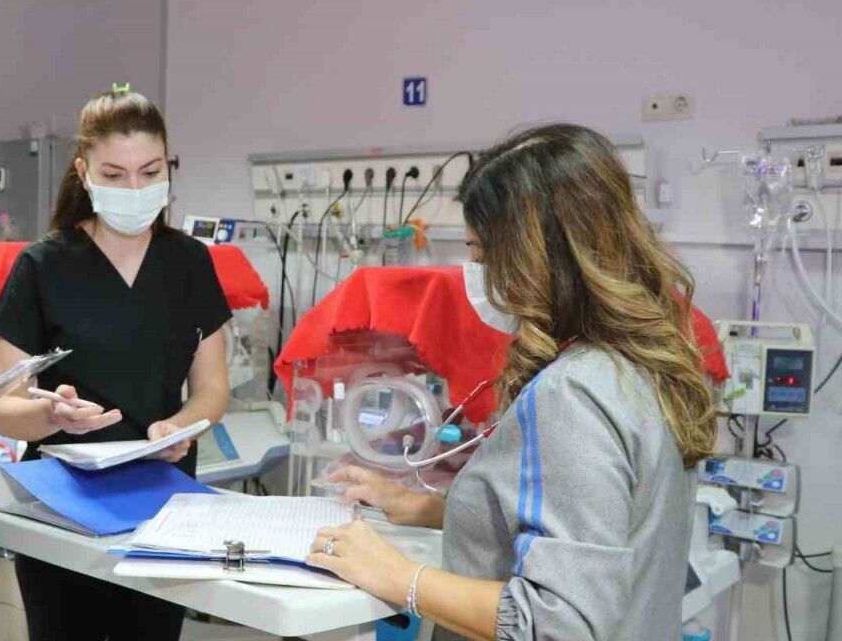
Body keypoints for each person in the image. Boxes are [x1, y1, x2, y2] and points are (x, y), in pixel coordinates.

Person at [305, 124, 717, 641]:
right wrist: (427, 509)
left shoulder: (574, 395)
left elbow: (556, 623)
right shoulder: (648, 363)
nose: (475, 272)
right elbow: (593, 529)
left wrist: (398, 576)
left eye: (480, 253)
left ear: (534, 256)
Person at [0, 87, 232, 641]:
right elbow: (4, 407)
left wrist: (182, 425)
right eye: (115, 175)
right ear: (84, 172)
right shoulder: (42, 267)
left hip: (163, 506)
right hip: (60, 507)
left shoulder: (189, 263)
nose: (135, 190)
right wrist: (51, 415)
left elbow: (212, 388)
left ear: (168, 167)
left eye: (150, 172)